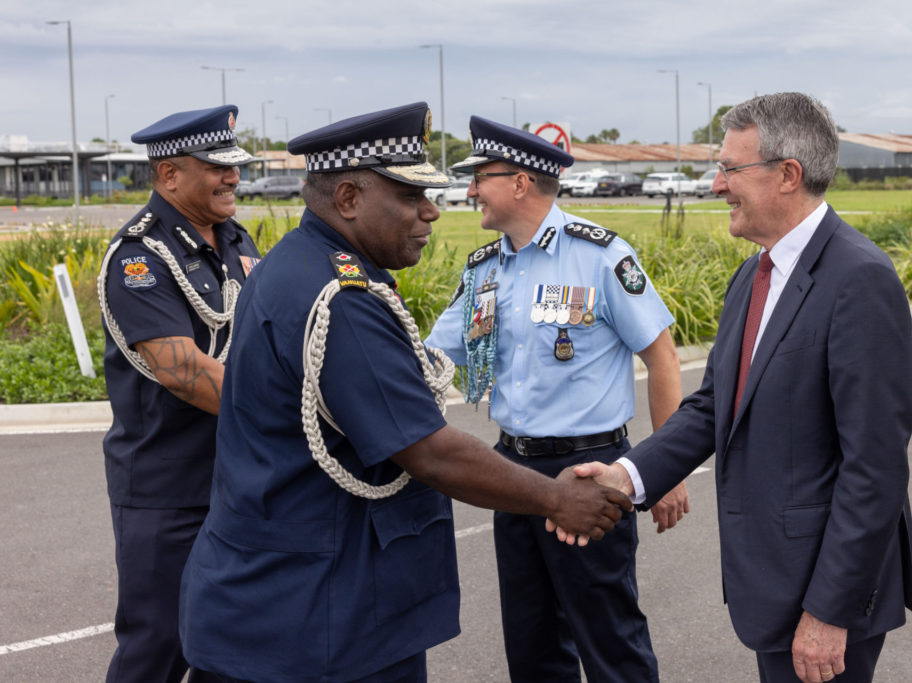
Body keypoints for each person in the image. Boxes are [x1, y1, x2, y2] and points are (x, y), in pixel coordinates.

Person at [177, 101, 631, 683]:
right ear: (348, 199)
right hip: (317, 621)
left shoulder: (299, 262)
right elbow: (429, 450)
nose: (431, 213)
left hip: (278, 605)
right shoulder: (342, 301)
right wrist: (557, 499)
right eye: (411, 197)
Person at [557, 93, 912, 683]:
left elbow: (874, 467)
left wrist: (829, 612)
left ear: (788, 175)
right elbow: (714, 403)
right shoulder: (753, 274)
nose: (715, 184)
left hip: (822, 591)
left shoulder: (859, 279)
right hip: (775, 581)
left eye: (729, 169)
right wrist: (625, 476)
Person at [425, 116, 688, 683]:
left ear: (520, 182)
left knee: (610, 641)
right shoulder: (483, 269)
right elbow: (434, 359)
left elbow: (662, 357)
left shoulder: (599, 256)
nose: (469, 191)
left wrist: (663, 471)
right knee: (532, 642)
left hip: (589, 471)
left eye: (480, 178)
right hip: (511, 471)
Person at [98, 104, 260, 682]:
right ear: (169, 175)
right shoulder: (139, 257)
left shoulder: (236, 238)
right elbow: (182, 371)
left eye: (234, 166)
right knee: (159, 647)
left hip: (239, 480)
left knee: (234, 645)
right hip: (169, 490)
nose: (232, 177)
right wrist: (292, 413)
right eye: (217, 167)